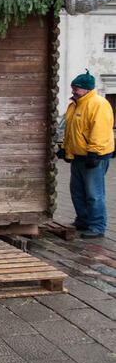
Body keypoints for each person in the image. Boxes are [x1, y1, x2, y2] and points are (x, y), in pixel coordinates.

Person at [58, 70, 115, 238]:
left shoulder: (99, 104)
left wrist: (94, 153)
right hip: (78, 157)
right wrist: (66, 150)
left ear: (87, 89)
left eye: (77, 88)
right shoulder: (74, 104)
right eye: (73, 87)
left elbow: (101, 130)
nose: (74, 91)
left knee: (94, 194)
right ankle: (82, 220)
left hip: (93, 157)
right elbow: (71, 131)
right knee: (77, 191)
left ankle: (97, 226)